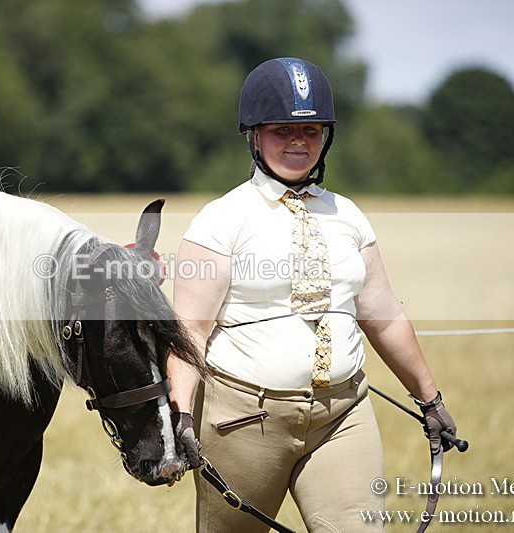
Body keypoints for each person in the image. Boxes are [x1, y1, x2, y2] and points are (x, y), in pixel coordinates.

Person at [167, 57, 458, 532]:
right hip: (243, 422)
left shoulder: (349, 217)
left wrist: (429, 398)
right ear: (254, 135)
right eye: (282, 130)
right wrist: (180, 414)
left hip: (342, 415)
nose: (299, 142)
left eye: (313, 130)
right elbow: (190, 331)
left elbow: (382, 311)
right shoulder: (219, 222)